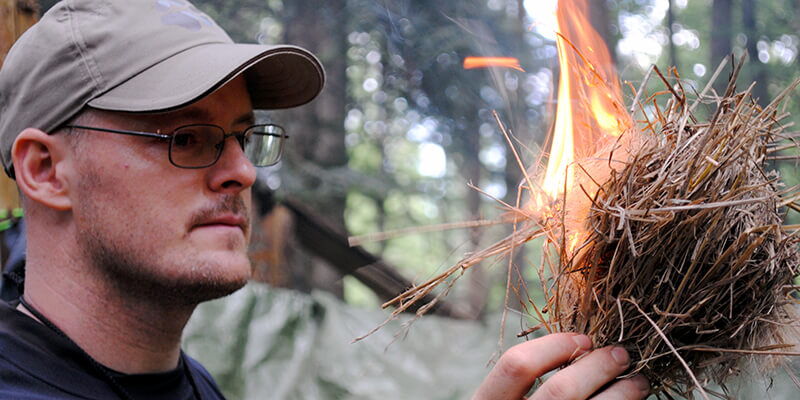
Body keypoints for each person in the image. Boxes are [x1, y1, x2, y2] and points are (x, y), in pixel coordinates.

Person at [0, 1, 649, 399]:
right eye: (188, 138)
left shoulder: (192, 384)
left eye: (245, 138)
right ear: (47, 170)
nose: (242, 174)